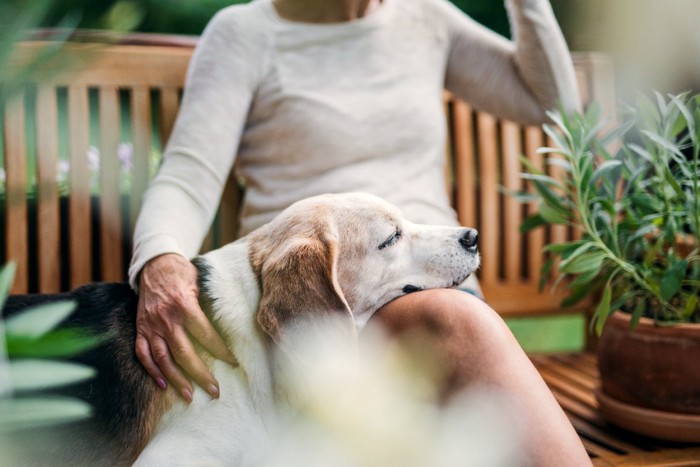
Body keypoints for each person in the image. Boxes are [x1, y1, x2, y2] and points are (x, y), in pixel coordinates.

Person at [129, 0, 591, 464]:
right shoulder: (245, 33)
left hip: (434, 284)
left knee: (457, 328)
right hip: (311, 304)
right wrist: (161, 262)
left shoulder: (426, 17)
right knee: (458, 324)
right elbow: (188, 177)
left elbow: (551, 103)